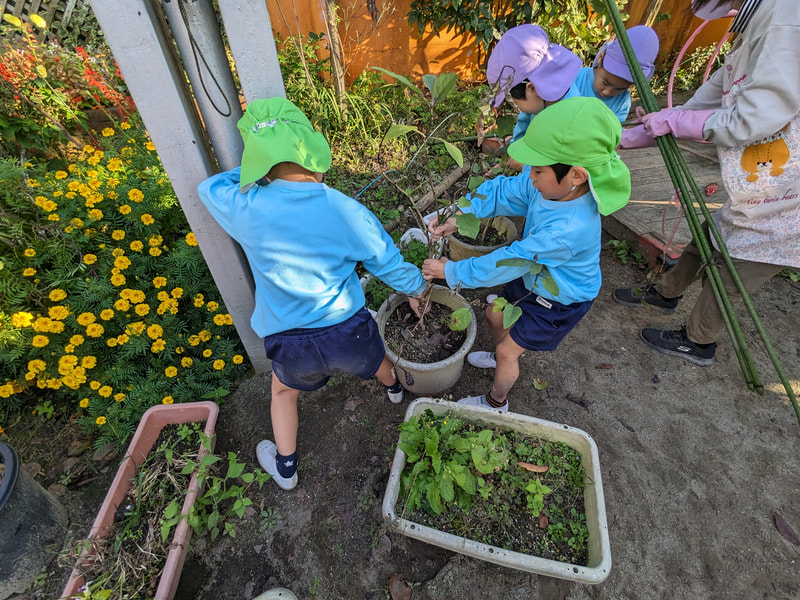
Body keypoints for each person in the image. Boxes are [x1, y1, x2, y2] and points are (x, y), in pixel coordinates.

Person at [197, 98, 427, 490]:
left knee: (283, 392)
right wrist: (416, 288)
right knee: (374, 360)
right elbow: (385, 260)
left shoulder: (247, 206)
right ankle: (393, 390)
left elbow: (210, 187)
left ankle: (286, 469)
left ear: (263, 164)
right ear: (316, 155)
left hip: (289, 341)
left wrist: (260, 158)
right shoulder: (344, 209)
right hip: (347, 329)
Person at [614, 0, 800, 366]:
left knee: (733, 271)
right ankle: (665, 293)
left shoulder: (785, 20)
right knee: (707, 237)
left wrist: (676, 124)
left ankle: (697, 341)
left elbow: (751, 119)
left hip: (786, 202)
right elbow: (709, 97)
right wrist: (638, 133)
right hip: (757, 190)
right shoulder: (757, 23)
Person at [421, 97, 631, 411]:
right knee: (495, 314)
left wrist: (450, 272)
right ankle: (502, 354)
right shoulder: (551, 185)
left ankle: (496, 401)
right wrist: (459, 212)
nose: (529, 175)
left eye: (539, 170)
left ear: (576, 175)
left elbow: (512, 260)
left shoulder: (570, 228)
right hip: (537, 275)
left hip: (560, 298)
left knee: (508, 350)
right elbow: (506, 191)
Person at [486, 24, 582, 170]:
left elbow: (562, 166)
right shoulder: (540, 100)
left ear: (531, 88)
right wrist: (515, 150)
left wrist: (524, 165)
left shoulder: (570, 117)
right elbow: (524, 123)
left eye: (516, 102)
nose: (518, 108)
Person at [570, 25, 660, 122]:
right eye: (605, 83)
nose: (606, 92)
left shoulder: (622, 102)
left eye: (619, 89)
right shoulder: (574, 78)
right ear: (600, 59)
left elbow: (615, 132)